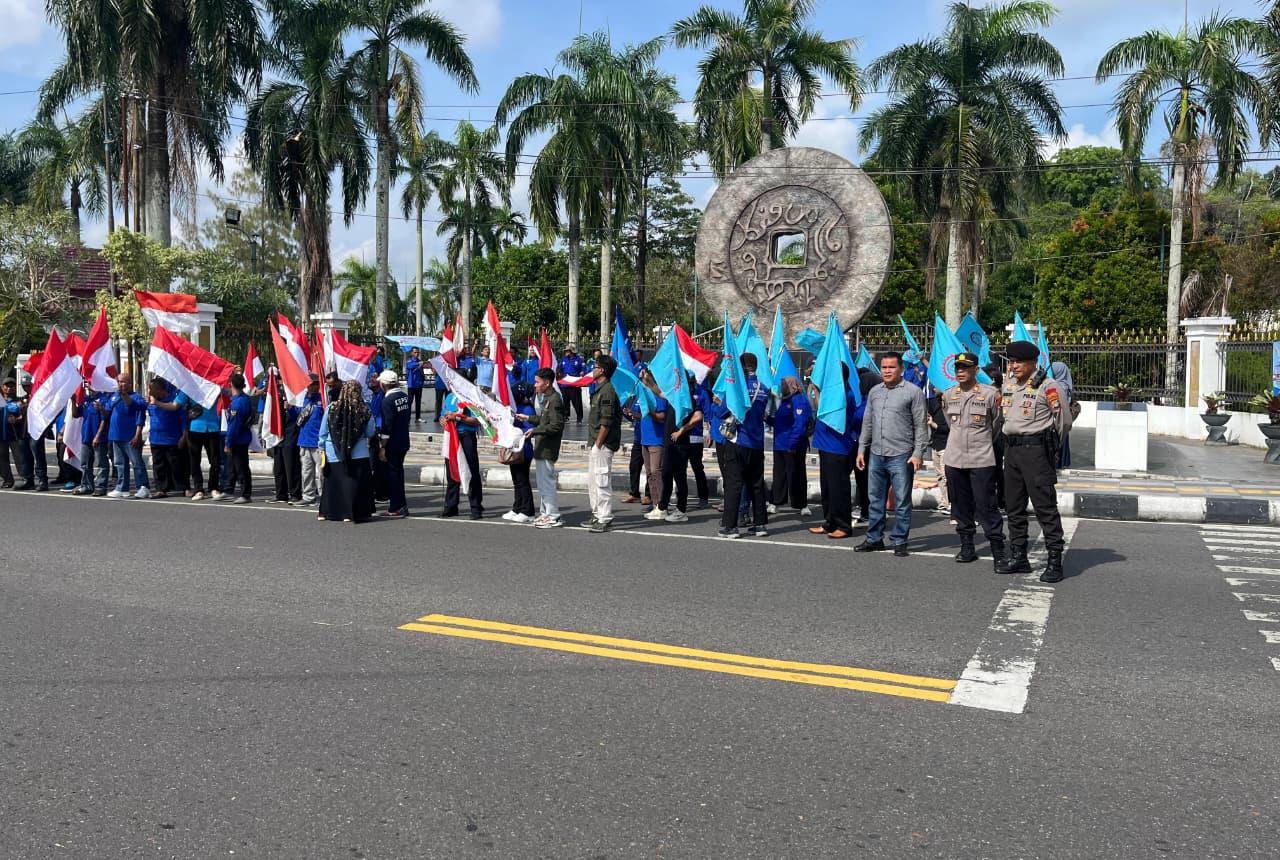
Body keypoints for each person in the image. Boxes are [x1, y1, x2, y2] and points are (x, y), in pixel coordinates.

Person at [1001, 340, 1073, 583]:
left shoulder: (1048, 386)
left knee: (1044, 507)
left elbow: (1063, 421)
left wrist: (1049, 447)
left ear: (1032, 362)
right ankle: (1019, 556)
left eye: (1018, 362)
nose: (1013, 366)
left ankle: (1054, 560)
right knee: (1013, 506)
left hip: (1036, 451)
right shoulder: (1009, 385)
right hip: (1012, 452)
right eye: (1011, 362)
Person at [941, 351, 1008, 572]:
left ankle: (998, 550)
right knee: (960, 505)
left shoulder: (991, 395)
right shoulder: (949, 394)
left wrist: (981, 443)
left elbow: (996, 425)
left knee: (986, 505)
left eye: (965, 368)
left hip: (981, 458)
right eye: (957, 368)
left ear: (976, 370)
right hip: (954, 457)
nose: (960, 372)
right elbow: (951, 424)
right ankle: (967, 545)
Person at [856, 352, 928, 557]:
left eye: (891, 367)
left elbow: (921, 426)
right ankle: (874, 539)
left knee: (902, 500)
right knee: (875, 499)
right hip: (876, 454)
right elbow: (867, 421)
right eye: (884, 367)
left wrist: (918, 453)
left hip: (901, 455)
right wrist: (862, 448)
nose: (887, 371)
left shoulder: (913, 392)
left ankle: (899, 540)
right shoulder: (875, 392)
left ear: (901, 369)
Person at [718, 353, 770, 539]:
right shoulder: (764, 388)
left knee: (734, 484)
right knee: (756, 484)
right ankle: (760, 525)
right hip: (757, 443)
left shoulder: (737, 388)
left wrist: (718, 402)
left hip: (738, 441)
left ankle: (730, 527)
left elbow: (722, 412)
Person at [809, 366, 862, 539]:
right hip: (825, 445)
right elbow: (818, 407)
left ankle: (844, 525)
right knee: (827, 488)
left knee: (838, 488)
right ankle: (829, 522)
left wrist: (817, 391)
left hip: (837, 447)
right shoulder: (833, 393)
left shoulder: (845, 395)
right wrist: (815, 388)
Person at [318, 380, 377, 523]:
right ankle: (352, 513)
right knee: (355, 484)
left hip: (334, 452)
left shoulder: (332, 408)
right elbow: (370, 432)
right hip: (359, 453)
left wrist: (321, 448)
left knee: (334, 484)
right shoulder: (364, 409)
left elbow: (323, 432)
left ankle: (329, 512)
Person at [656, 373, 704, 524]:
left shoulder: (687, 397)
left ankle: (681, 510)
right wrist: (648, 381)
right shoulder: (675, 395)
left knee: (679, 477)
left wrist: (681, 430)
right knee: (666, 474)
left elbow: (698, 416)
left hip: (681, 444)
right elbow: (659, 392)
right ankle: (662, 507)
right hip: (670, 444)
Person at [584, 354, 621, 532]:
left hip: (603, 444)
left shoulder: (607, 391)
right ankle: (597, 514)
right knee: (593, 481)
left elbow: (606, 421)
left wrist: (598, 444)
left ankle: (604, 517)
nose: (593, 369)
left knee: (601, 480)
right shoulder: (599, 389)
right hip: (595, 442)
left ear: (602, 370)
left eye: (595, 367)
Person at [527, 367, 566, 528]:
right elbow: (545, 420)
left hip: (548, 448)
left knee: (547, 482)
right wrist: (529, 418)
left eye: (537, 382)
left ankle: (553, 515)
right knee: (542, 483)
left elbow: (556, 426)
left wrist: (534, 431)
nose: (535, 385)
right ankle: (545, 513)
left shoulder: (555, 400)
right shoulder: (548, 398)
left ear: (547, 383)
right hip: (542, 447)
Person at [769, 375, 812, 518]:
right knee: (779, 474)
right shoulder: (785, 400)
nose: (782, 387)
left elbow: (799, 424)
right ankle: (776, 502)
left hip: (793, 446)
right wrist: (767, 419)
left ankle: (802, 504)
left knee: (797, 474)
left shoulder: (799, 400)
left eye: (784, 385)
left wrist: (792, 443)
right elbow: (780, 423)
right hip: (780, 444)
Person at [104, 372, 150, 499]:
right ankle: (122, 488)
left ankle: (143, 487)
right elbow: (107, 412)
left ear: (130, 383)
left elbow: (138, 413)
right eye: (119, 382)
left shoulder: (136, 397)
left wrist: (137, 436)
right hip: (116, 435)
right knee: (119, 463)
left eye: (123, 382)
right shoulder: (114, 396)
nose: (121, 384)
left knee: (137, 463)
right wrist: (100, 409)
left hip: (130, 436)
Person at [440, 388, 484, 519]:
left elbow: (477, 420)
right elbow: (443, 414)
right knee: (451, 470)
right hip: (451, 436)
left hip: (466, 436)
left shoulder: (471, 397)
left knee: (471, 471)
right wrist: (443, 419)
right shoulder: (449, 397)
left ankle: (476, 507)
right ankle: (451, 506)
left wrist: (460, 417)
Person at [147, 378, 188, 498]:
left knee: (177, 465)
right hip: (156, 438)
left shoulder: (173, 401)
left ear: (159, 389)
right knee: (159, 466)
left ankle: (182, 487)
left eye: (151, 389)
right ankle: (161, 488)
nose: (149, 391)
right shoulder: (151, 402)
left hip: (172, 438)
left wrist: (183, 437)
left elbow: (184, 420)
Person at [378, 369, 411, 517]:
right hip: (404, 440)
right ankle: (402, 505)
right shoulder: (404, 396)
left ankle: (396, 507)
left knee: (393, 475)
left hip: (393, 443)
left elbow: (387, 426)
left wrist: (382, 446)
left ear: (384, 384)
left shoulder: (387, 401)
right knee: (399, 473)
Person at [637, 369, 669, 520]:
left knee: (657, 472)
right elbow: (642, 414)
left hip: (657, 440)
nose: (643, 379)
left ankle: (662, 506)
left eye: (645, 377)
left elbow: (662, 417)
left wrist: (650, 412)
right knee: (650, 473)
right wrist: (633, 414)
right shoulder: (642, 394)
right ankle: (655, 503)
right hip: (645, 439)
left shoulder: (658, 395)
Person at [504, 383, 537, 523]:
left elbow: (528, 431)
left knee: (523, 480)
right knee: (516, 481)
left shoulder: (528, 409)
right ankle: (517, 507)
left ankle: (528, 511)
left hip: (524, 450)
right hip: (514, 448)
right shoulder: (515, 408)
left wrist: (514, 430)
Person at [183, 386, 223, 501]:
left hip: (213, 428)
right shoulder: (189, 387)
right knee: (194, 461)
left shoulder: (214, 386)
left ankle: (214, 487)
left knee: (215, 461)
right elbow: (176, 404)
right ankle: (198, 489)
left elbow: (229, 392)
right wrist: (157, 402)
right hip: (195, 429)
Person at [221, 373, 255, 504]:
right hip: (241, 437)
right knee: (232, 466)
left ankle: (246, 494)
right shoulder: (243, 398)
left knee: (241, 468)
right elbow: (228, 392)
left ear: (232, 384)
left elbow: (234, 426)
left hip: (238, 439)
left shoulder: (238, 403)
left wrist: (228, 443)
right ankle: (229, 490)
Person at [269, 375, 303, 504]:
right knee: (278, 467)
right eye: (278, 379)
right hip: (278, 435)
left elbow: (301, 413)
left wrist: (291, 407)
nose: (279, 382)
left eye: (281, 379)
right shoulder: (276, 393)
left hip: (291, 434)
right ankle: (281, 493)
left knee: (291, 466)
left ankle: (295, 494)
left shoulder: (297, 394)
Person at [72, 386, 110, 496]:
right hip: (86, 436)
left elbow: (105, 418)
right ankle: (87, 486)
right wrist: (73, 401)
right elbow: (75, 414)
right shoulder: (86, 400)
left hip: (99, 437)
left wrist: (98, 435)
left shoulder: (103, 399)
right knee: (85, 463)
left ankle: (101, 486)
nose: (90, 386)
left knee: (101, 463)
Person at [297, 375, 325, 507]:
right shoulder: (301, 399)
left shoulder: (323, 399)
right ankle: (308, 495)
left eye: (315, 384)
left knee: (322, 472)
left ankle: (325, 496)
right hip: (304, 441)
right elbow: (296, 418)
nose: (313, 387)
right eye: (310, 384)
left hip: (318, 442)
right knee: (307, 471)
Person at [0, 376, 31, 489]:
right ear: (2, 387)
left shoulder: (20, 401)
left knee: (20, 458)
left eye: (12, 386)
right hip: (1, 436)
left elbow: (23, 416)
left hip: (15, 435)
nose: (9, 388)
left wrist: (17, 419)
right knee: (2, 459)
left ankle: (25, 479)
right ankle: (7, 480)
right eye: (7, 386)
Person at [925, 385, 951, 516]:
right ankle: (944, 503)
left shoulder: (950, 405)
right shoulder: (933, 403)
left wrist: (933, 424)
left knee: (947, 476)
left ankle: (951, 503)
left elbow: (948, 428)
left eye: (936, 386)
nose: (934, 389)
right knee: (940, 476)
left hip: (946, 445)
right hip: (936, 444)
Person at [620, 385, 647, 505]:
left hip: (649, 438)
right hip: (638, 437)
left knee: (650, 469)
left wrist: (637, 415)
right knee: (634, 466)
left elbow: (650, 416)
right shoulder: (636, 398)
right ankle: (634, 493)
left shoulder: (650, 398)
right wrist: (627, 413)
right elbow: (633, 417)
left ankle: (649, 494)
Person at [1050, 360, 1076, 468]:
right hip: (1064, 418)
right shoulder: (1066, 384)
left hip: (1057, 418)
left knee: (1056, 440)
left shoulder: (1058, 386)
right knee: (1063, 439)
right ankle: (1063, 462)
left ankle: (1057, 463)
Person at [559, 346, 586, 423]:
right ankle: (566, 416)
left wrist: (582, 372)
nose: (566, 352)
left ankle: (579, 417)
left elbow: (583, 369)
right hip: (565, 384)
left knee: (577, 402)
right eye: (566, 351)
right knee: (565, 402)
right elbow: (559, 368)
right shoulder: (563, 359)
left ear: (572, 351)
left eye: (568, 351)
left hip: (574, 384)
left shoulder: (579, 359)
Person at [405, 347, 425, 422]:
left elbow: (421, 371)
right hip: (411, 385)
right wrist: (418, 364)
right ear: (412, 353)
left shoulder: (420, 361)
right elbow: (410, 366)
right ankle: (408, 418)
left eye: (417, 352)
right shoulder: (409, 361)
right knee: (409, 402)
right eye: (415, 352)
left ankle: (418, 417)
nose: (416, 354)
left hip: (419, 385)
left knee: (418, 401)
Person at [433, 354, 449, 422]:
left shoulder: (449, 361)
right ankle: (437, 416)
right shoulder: (436, 361)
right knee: (438, 401)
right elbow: (434, 372)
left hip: (447, 384)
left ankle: (447, 415)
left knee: (448, 401)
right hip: (439, 384)